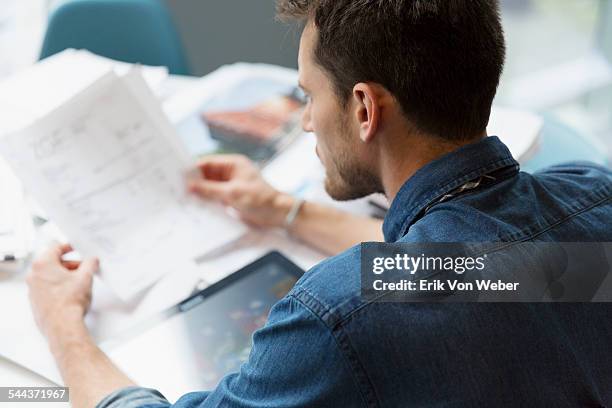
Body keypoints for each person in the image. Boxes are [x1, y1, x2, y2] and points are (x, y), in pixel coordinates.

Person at [26, 0, 612, 407]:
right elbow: (481, 272)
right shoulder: (593, 199)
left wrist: (64, 329)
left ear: (365, 110)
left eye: (308, 95)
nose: (305, 120)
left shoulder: (337, 319)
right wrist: (288, 212)